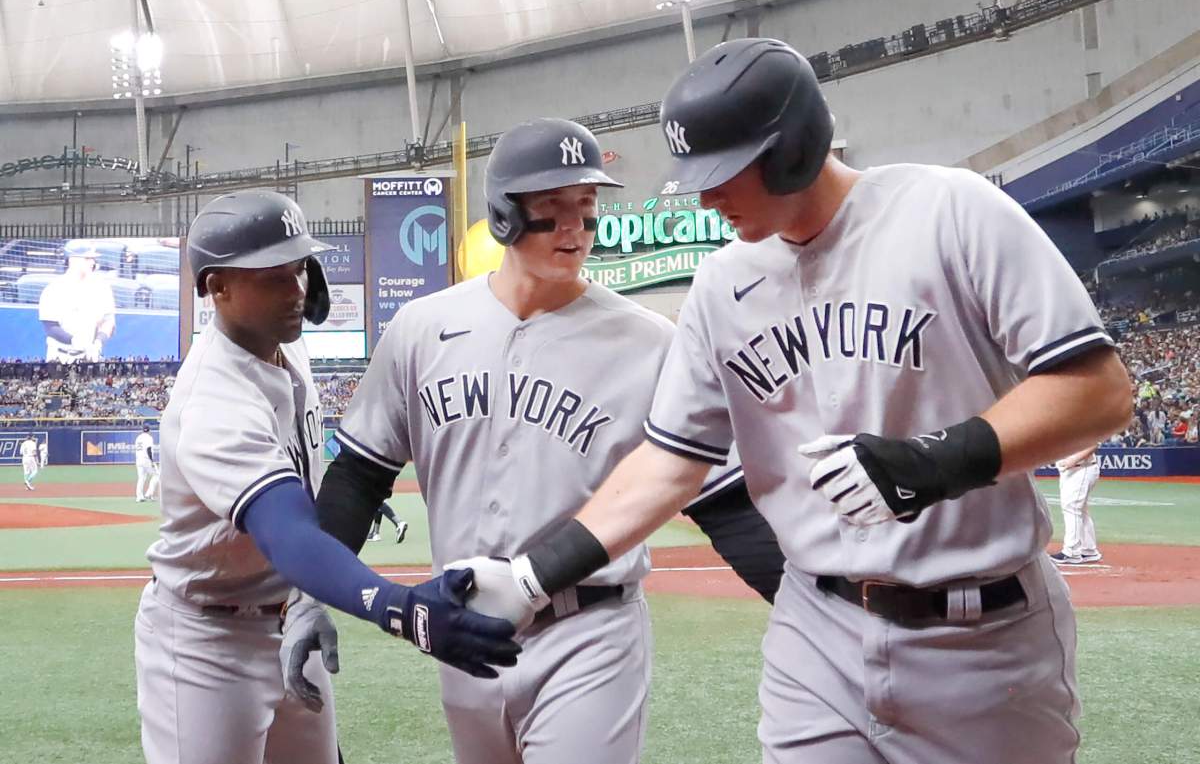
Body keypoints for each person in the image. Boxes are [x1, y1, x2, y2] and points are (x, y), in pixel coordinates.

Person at [450, 39, 1134, 764]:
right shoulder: (721, 284)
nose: (707, 197)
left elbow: (1098, 390)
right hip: (817, 630)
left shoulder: (949, 211)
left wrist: (932, 461)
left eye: (723, 174)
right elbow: (670, 462)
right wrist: (532, 575)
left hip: (984, 635)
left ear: (793, 149)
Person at [295, 118, 783, 764]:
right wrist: (310, 594)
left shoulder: (648, 342)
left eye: (586, 210)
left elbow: (723, 502)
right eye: (551, 213)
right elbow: (359, 475)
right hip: (463, 630)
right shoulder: (423, 327)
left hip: (590, 628)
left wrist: (815, 612)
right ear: (502, 215)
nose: (574, 230)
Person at [133, 191, 519, 764]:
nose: (296, 292)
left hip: (290, 613)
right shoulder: (212, 401)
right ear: (217, 288)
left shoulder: (287, 348)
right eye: (274, 278)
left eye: (299, 270)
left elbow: (305, 471)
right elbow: (287, 532)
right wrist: (400, 608)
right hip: (206, 642)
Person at [38, 242, 116, 364]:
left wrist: (98, 342)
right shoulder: (53, 289)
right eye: (87, 258)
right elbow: (50, 327)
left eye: (93, 259)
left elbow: (108, 321)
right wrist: (75, 341)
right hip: (59, 356)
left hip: (90, 356)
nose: (92, 263)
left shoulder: (102, 287)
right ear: (72, 260)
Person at [1050, 444, 1102, 564]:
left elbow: (1094, 443)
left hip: (1081, 468)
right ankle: (1089, 550)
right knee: (1080, 511)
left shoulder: (1082, 425)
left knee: (1071, 508)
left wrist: (1074, 460)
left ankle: (1071, 552)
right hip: (1072, 470)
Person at [134, 424, 159, 502]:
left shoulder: (138, 438)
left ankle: (139, 497)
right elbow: (148, 449)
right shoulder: (149, 437)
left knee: (141, 478)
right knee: (157, 475)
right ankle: (149, 494)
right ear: (149, 430)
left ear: (142, 430)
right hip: (146, 459)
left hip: (138, 460)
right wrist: (152, 460)